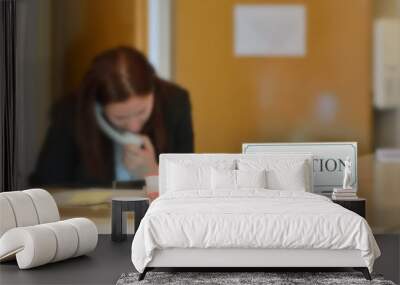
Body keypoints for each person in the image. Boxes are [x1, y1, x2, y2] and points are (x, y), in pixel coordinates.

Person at [30, 46, 194, 187]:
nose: (134, 127)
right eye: (120, 117)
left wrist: (153, 173)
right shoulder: (69, 112)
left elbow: (189, 189)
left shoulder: (175, 104)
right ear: (99, 107)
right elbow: (46, 185)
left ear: (153, 93)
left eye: (142, 112)